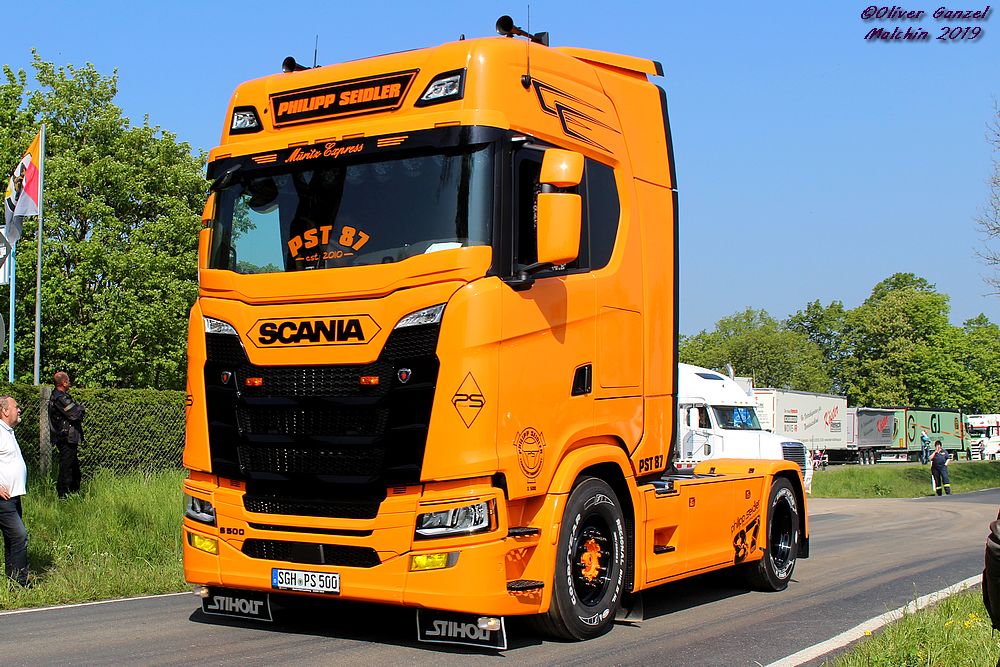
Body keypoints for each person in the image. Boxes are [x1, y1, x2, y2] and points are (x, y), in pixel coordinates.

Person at [0, 395, 28, 586]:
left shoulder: (8, 431)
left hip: (13, 496)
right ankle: (20, 582)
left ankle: (12, 581)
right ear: (5, 411)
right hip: (3, 499)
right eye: (16, 407)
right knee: (19, 535)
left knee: (12, 539)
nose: (19, 410)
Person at [49, 371, 85, 499]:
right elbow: (75, 414)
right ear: (64, 383)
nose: (70, 383)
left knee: (75, 470)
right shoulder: (60, 398)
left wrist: (78, 409)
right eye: (68, 381)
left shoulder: (62, 396)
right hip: (65, 438)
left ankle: (74, 494)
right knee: (66, 468)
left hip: (68, 437)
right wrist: (80, 408)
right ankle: (63, 496)